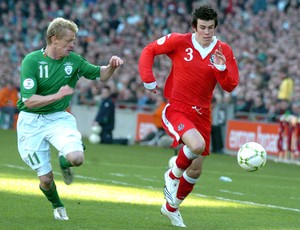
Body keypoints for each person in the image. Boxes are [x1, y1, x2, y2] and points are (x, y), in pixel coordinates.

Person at [138, 5, 239, 227]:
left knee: (195, 169)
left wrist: (221, 69)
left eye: (211, 28)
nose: (207, 32)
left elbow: (231, 86)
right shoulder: (179, 41)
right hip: (177, 108)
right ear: (194, 27)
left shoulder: (223, 50)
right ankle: (172, 175)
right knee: (195, 145)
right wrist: (148, 78)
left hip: (203, 114)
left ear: (216, 27)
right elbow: (149, 50)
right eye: (202, 27)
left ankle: (171, 208)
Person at [16, 17, 123, 220]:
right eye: (69, 40)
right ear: (53, 39)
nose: (72, 44)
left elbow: (101, 74)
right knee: (46, 180)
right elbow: (28, 101)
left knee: (77, 158)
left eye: (74, 40)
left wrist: (112, 66)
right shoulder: (31, 61)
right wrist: (56, 95)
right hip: (31, 122)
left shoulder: (74, 60)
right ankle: (58, 206)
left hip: (58, 118)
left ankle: (64, 161)